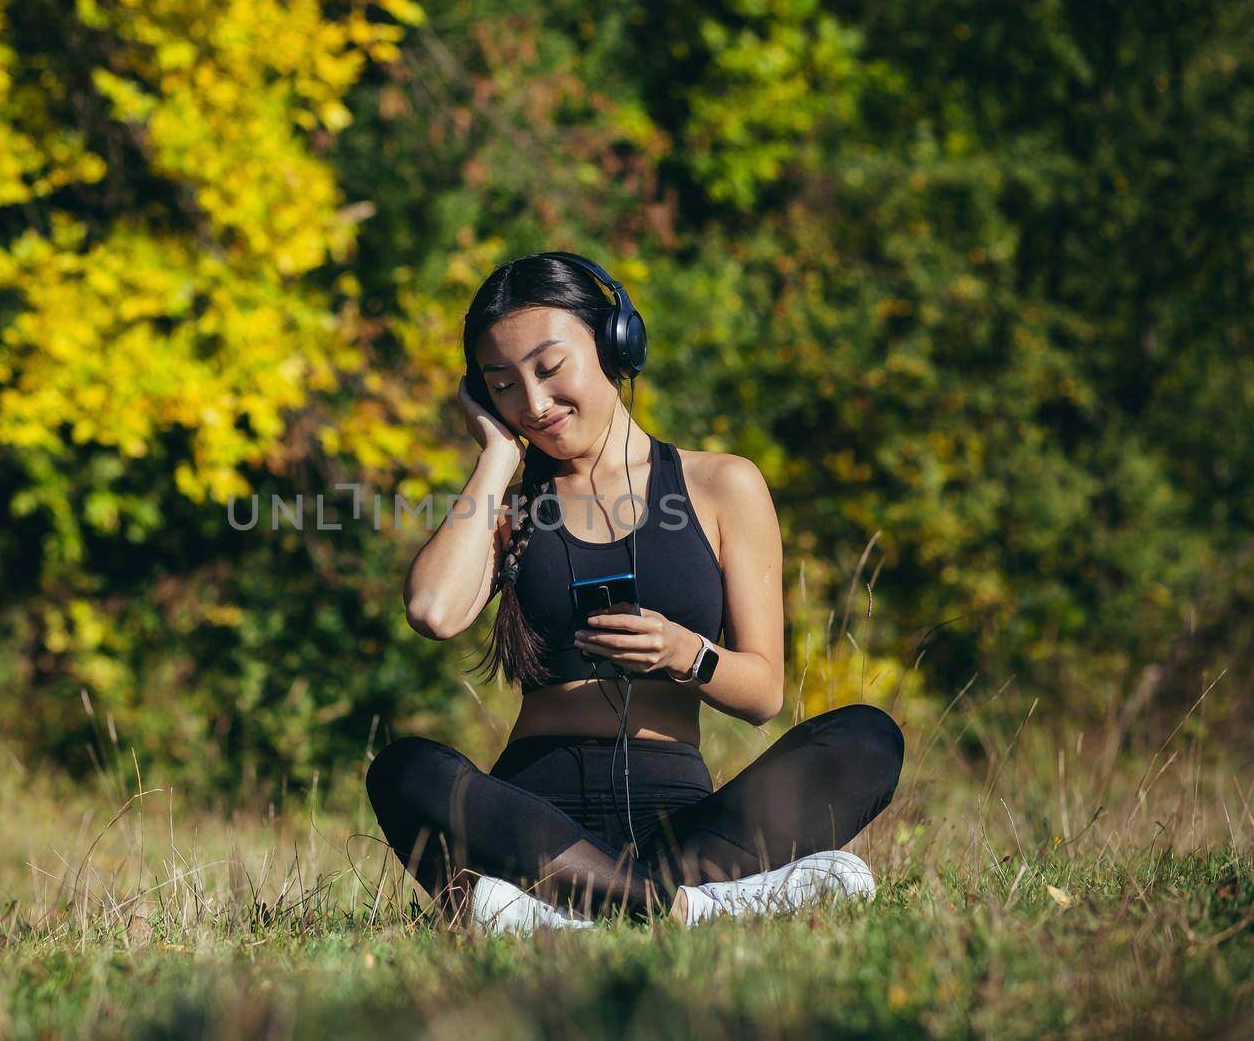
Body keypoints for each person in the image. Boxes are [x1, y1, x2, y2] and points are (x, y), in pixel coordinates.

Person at [368, 252, 904, 931]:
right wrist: (497, 459)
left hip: (686, 824)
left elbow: (764, 693)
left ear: (616, 342)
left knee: (867, 737)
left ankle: (565, 909)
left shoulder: (722, 485)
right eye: (502, 384)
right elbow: (432, 610)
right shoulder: (509, 506)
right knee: (405, 768)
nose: (533, 404)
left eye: (550, 368)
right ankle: (683, 908)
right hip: (533, 820)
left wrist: (688, 652)